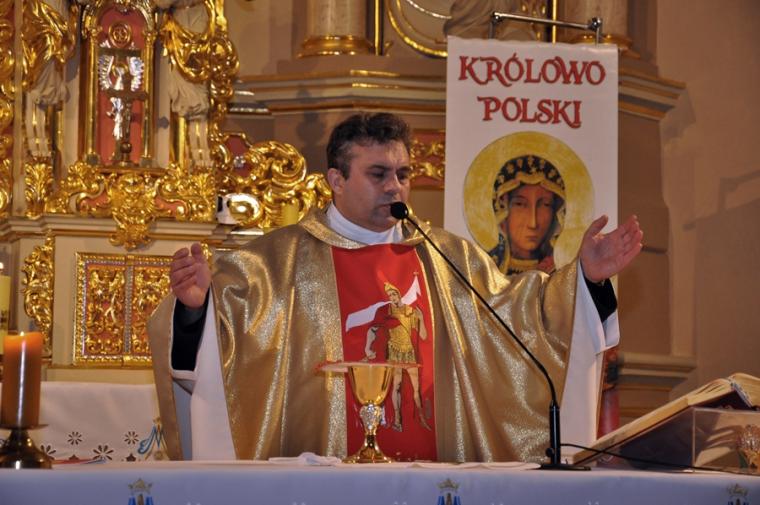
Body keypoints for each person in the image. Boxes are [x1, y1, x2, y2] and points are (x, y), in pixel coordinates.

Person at [148, 112, 642, 463]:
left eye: (404, 174)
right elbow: (218, 350)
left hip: (430, 476)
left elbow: (525, 315)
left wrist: (585, 277)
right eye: (379, 174)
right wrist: (196, 309)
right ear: (336, 180)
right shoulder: (273, 264)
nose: (395, 187)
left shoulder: (449, 259)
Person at [489, 154, 565, 275]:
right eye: (520, 204)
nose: (533, 223)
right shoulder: (486, 269)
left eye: (545, 205)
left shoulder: (563, 271)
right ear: (502, 210)